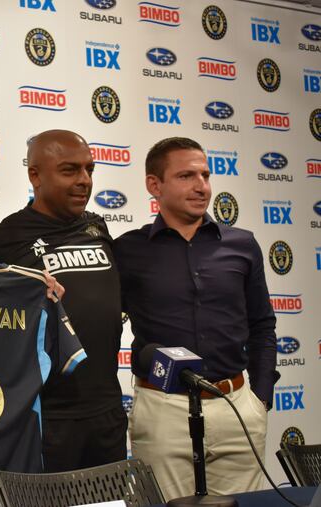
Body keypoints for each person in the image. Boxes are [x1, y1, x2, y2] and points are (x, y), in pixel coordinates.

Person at [114, 137, 277, 500]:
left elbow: (263, 324)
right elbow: (106, 324)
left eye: (205, 174)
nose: (201, 186)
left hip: (237, 409)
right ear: (154, 185)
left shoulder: (243, 244)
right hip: (163, 412)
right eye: (186, 175)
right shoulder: (127, 250)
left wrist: (260, 397)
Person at [0, 130, 127, 472]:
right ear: (35, 175)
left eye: (89, 170)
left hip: (107, 410)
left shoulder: (97, 226)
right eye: (70, 170)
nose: (84, 181)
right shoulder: (2, 240)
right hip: (47, 417)